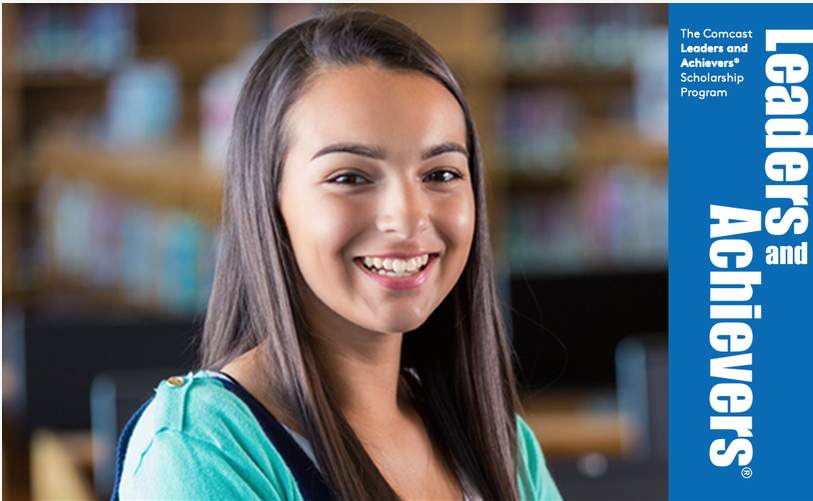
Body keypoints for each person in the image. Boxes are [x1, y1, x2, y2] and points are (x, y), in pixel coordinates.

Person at [116, 9, 562, 501]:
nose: (408, 219)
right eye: (350, 178)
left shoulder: (502, 441)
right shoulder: (203, 449)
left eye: (441, 174)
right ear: (270, 201)